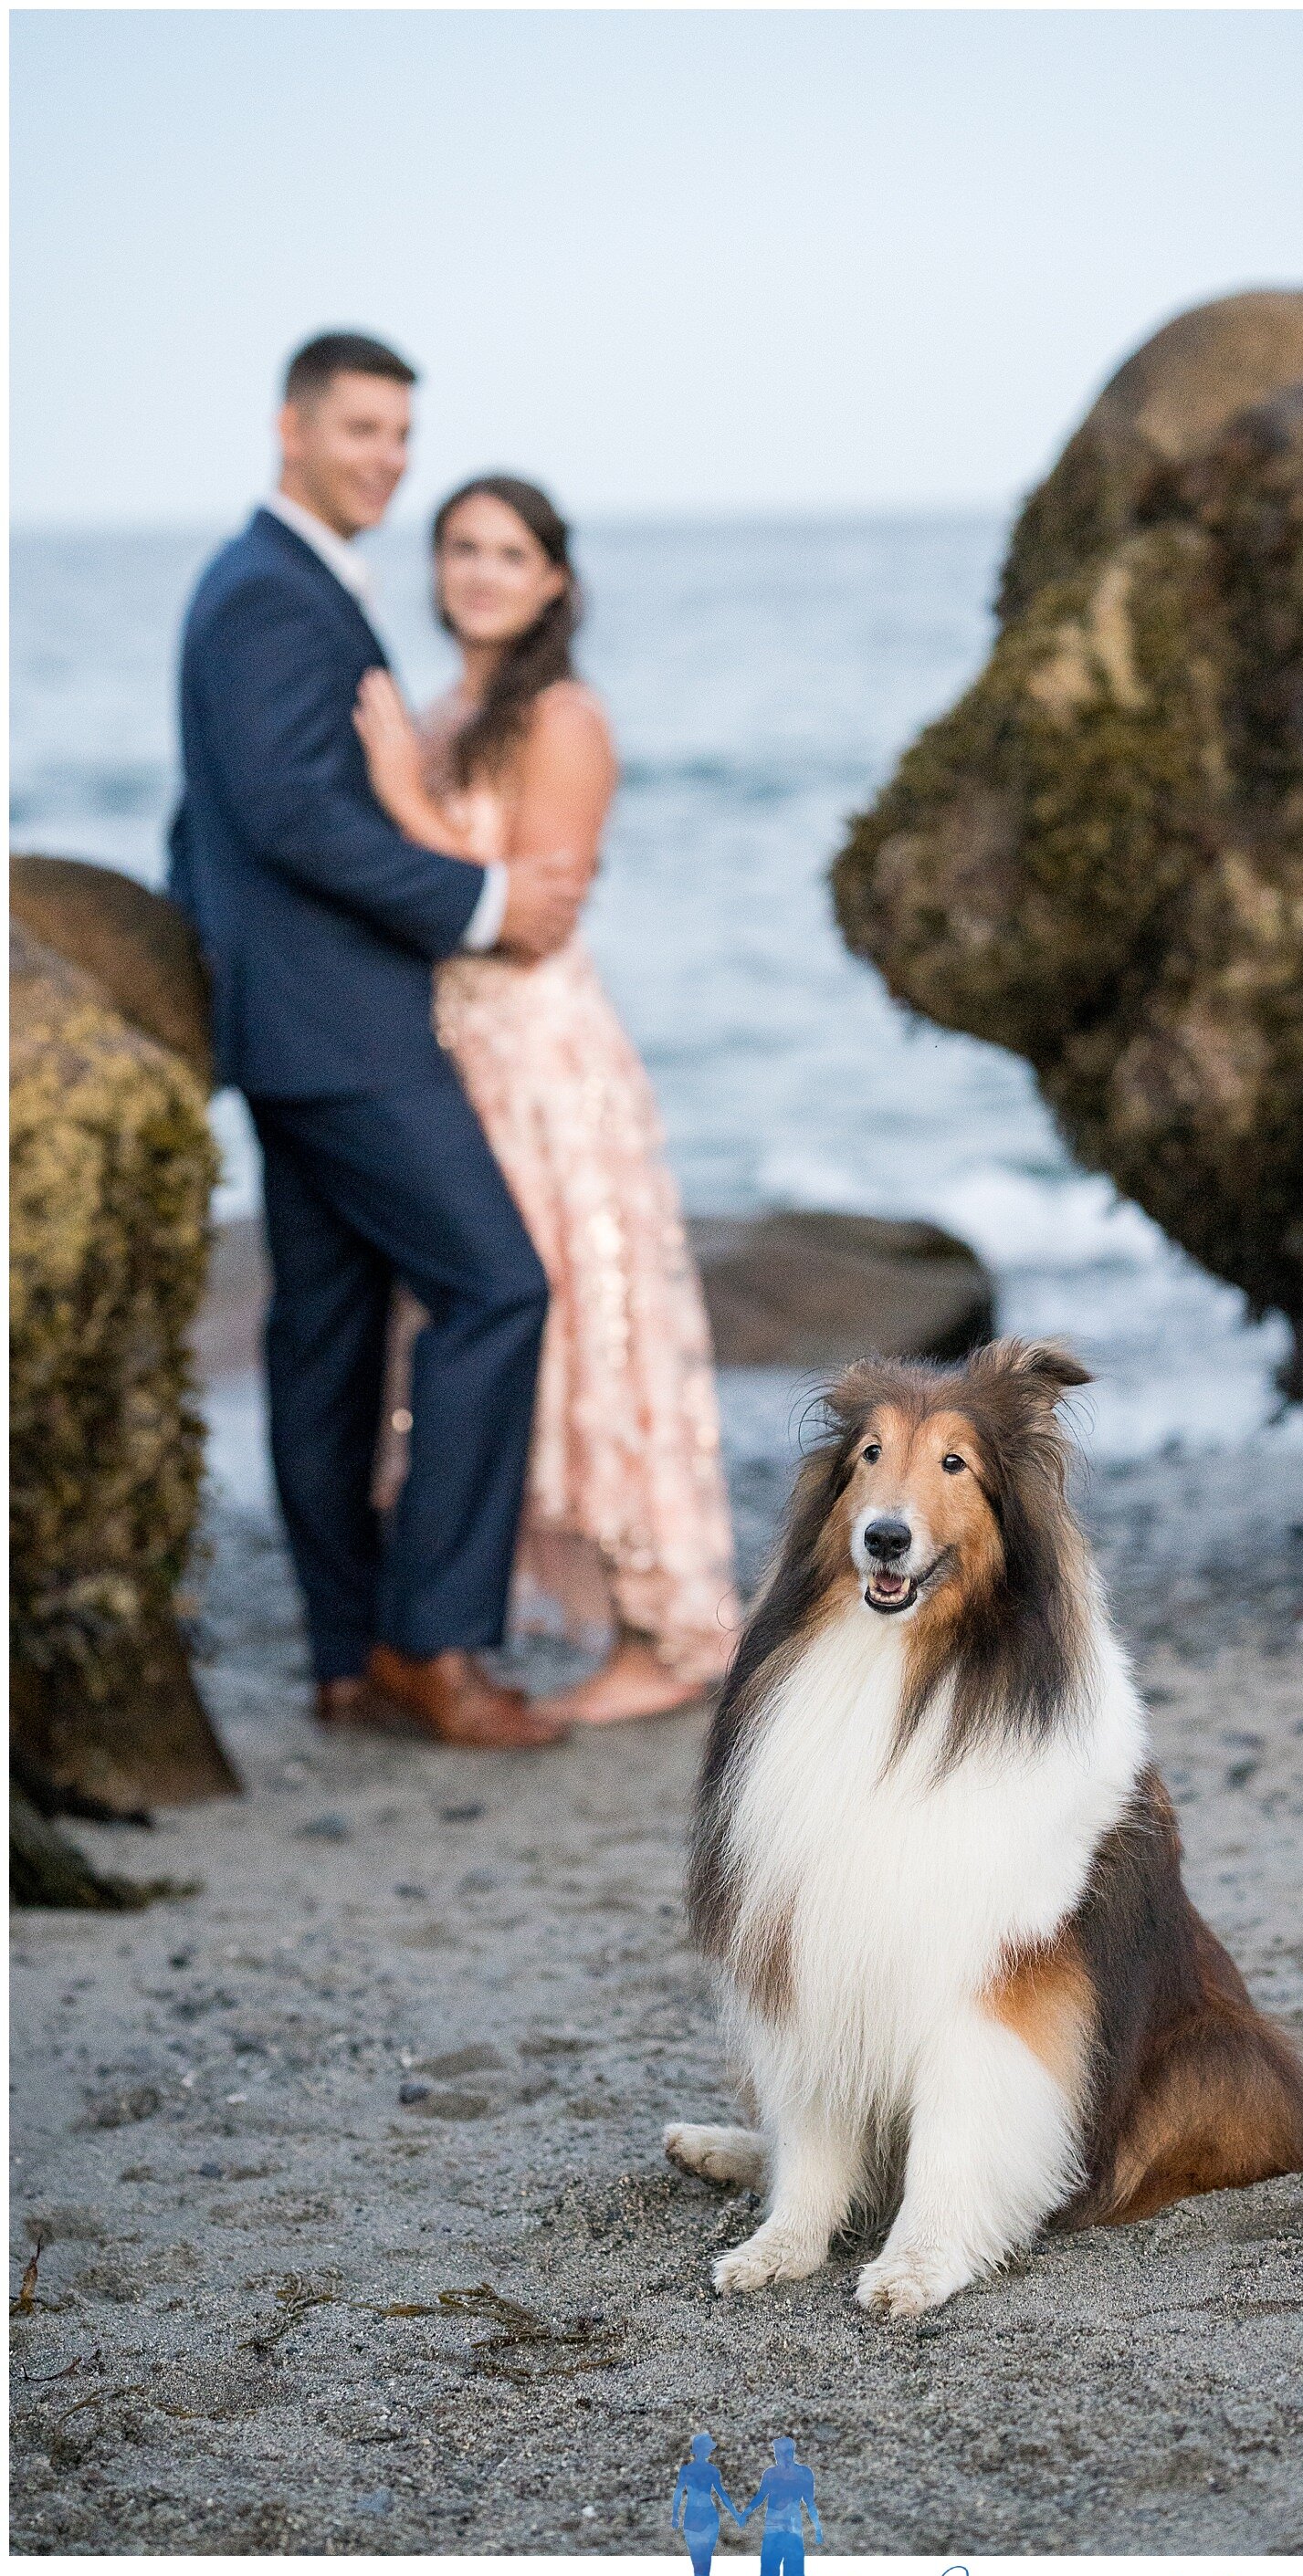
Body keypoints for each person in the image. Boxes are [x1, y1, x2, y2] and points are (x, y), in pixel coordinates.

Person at [168, 330, 588, 1748]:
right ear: (292, 428)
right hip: (342, 1028)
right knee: (496, 1290)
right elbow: (289, 809)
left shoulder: (267, 587)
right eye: (361, 430)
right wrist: (474, 897)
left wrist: (222, 972)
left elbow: (209, 818)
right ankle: (433, 1643)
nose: (385, 459)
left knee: (328, 1343)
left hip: (291, 1022)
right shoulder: (272, 595)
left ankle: (348, 1657)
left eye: (401, 434)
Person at [351, 475, 737, 1723]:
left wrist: (400, 793)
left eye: (508, 553)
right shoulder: (450, 706)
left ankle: (663, 1630)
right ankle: (494, 1603)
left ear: (554, 579)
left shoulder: (563, 715)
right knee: (498, 1333)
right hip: (459, 1057)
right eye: (461, 548)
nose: (479, 572)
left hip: (547, 1060)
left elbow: (535, 909)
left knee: (594, 1322)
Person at [741, 2437, 823, 2576]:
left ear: (792, 2452)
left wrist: (817, 2526)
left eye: (785, 2453)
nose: (781, 2456)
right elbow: (761, 2495)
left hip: (794, 2531)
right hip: (773, 2529)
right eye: (778, 2453)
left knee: (794, 2573)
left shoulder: (804, 2474)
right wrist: (746, 2512)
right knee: (768, 2569)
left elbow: (810, 2502)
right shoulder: (770, 2474)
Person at [669, 2432, 742, 2576]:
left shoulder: (696, 2470)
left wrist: (736, 2514)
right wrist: (674, 2515)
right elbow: (721, 2495)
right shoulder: (703, 2470)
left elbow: (720, 2494)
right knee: (701, 2561)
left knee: (700, 2560)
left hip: (699, 2515)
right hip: (702, 2515)